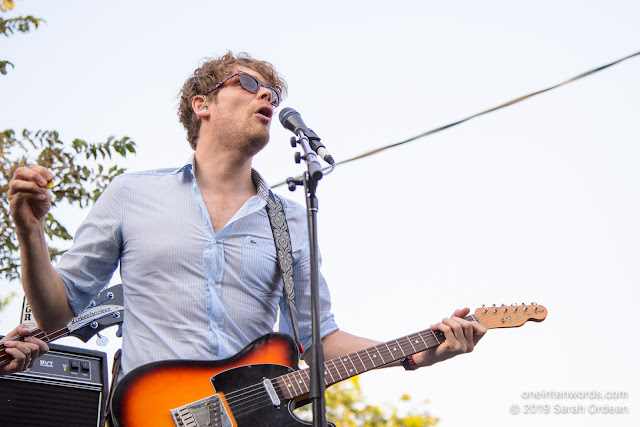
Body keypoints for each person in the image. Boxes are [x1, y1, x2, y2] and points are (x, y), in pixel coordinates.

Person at [7, 52, 485, 387]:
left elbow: (317, 340)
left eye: (273, 93)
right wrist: (30, 233)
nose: (268, 98)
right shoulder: (132, 193)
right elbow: (57, 313)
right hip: (146, 412)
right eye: (250, 84)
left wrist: (416, 352)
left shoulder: (291, 221)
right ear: (203, 104)